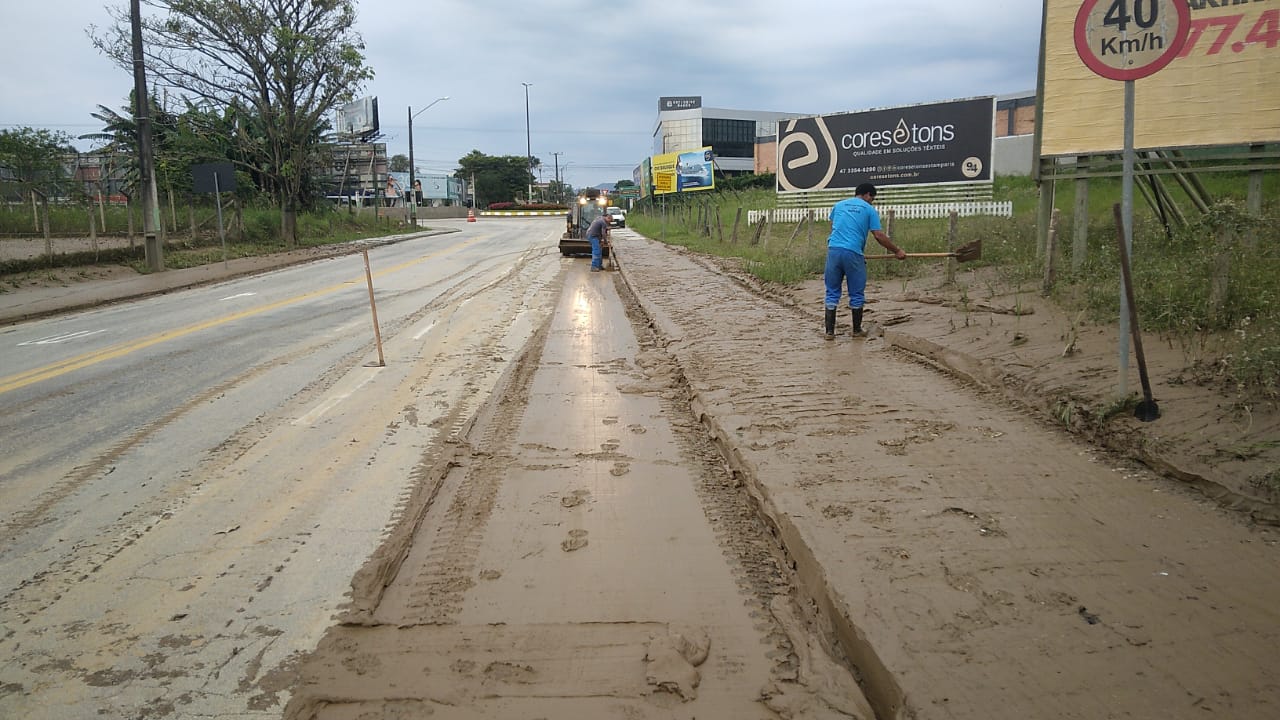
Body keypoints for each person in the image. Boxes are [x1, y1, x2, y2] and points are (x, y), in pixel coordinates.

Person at [823, 182, 906, 339]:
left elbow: (834, 227)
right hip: (853, 253)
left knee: (832, 292)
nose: (871, 201)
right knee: (856, 293)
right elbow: (878, 235)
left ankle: (829, 332)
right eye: (872, 198)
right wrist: (897, 251)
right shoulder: (869, 210)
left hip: (833, 251)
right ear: (868, 195)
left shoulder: (839, 205)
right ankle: (856, 330)